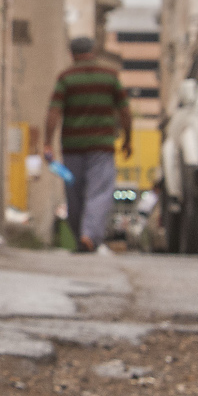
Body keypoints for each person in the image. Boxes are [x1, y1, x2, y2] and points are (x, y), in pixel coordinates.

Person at [43, 36, 133, 253]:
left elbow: (54, 111)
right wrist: (128, 139)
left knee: (74, 194)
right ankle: (88, 235)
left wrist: (48, 142)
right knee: (99, 192)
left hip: (73, 147)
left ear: (72, 54)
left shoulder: (66, 78)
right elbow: (124, 111)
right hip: (101, 147)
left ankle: (82, 237)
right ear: (93, 51)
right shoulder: (109, 77)